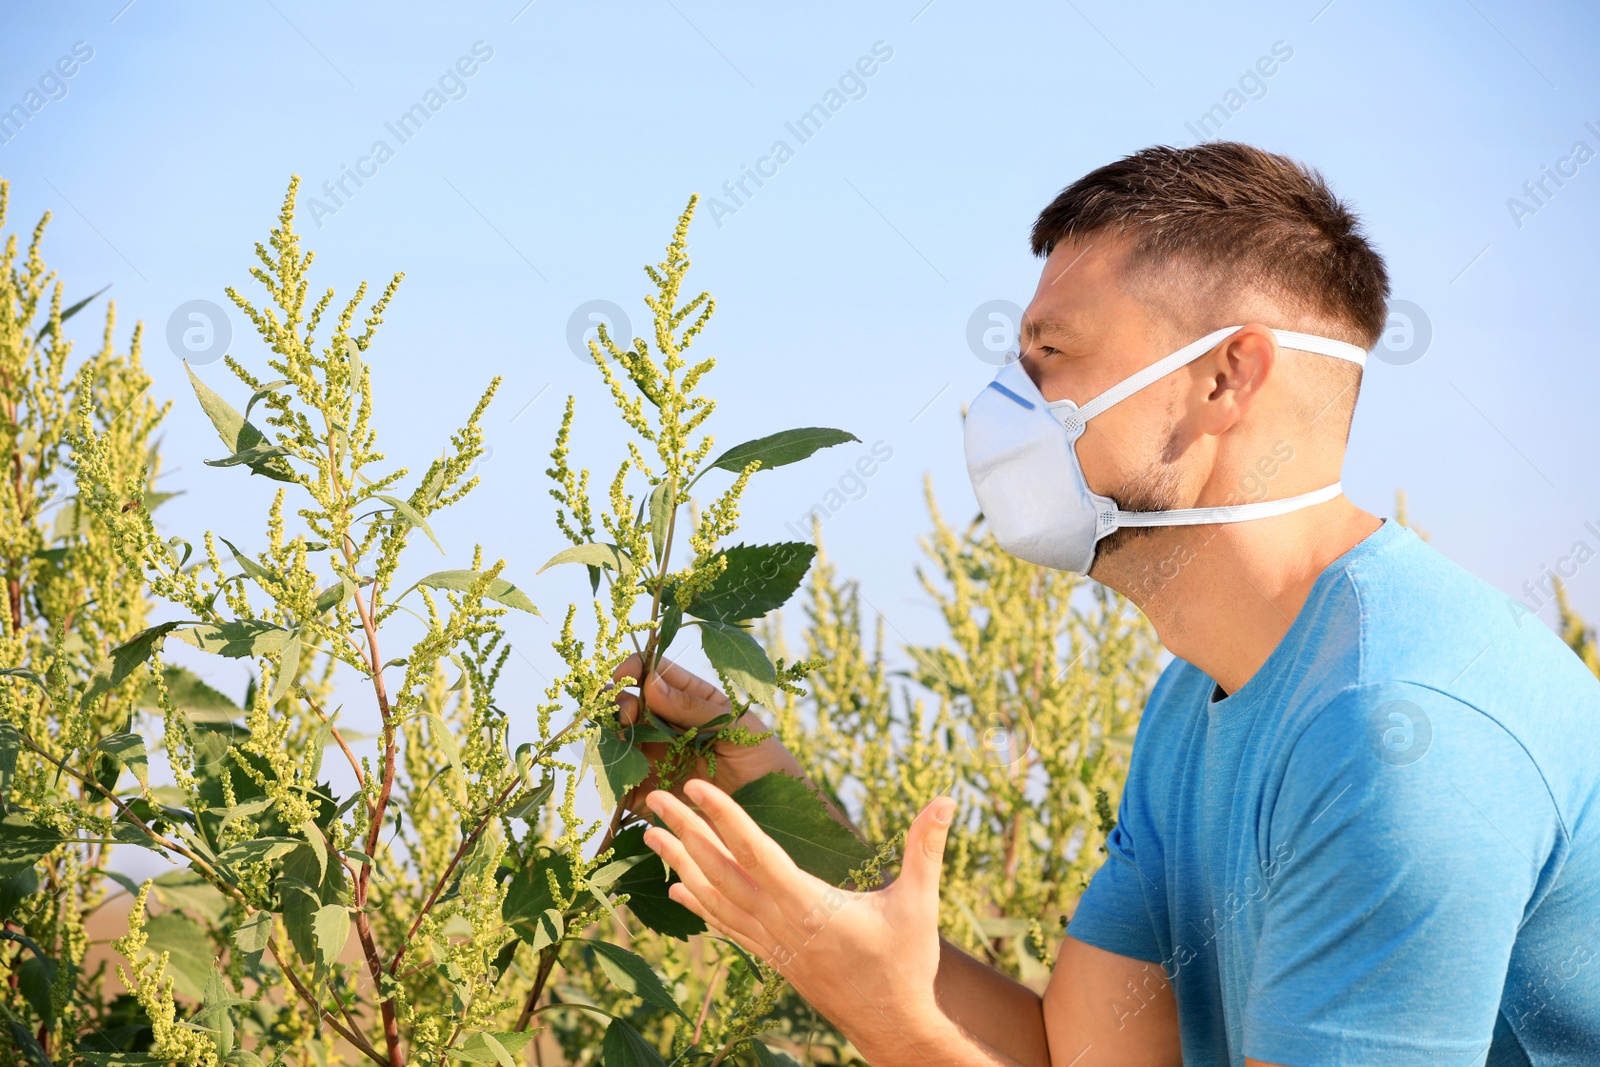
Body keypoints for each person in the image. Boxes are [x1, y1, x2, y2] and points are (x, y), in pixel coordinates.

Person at [614, 143, 1600, 1067]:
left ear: (1224, 376)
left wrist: (875, 1004)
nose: (1007, 401)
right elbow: (1072, 1053)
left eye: (1050, 353)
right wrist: (789, 834)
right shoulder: (1197, 699)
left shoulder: (1398, 731)